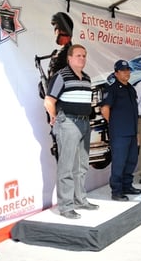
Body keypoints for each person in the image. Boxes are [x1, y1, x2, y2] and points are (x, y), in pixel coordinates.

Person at [44, 44, 99, 219]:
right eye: (78, 55)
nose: (82, 58)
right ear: (69, 58)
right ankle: (66, 206)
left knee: (82, 165)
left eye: (84, 55)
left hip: (84, 123)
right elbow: (48, 101)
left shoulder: (87, 78)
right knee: (66, 167)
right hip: (67, 122)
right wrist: (55, 118)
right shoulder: (61, 76)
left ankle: (80, 199)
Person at [101, 60, 141, 201]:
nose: (127, 73)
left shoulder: (131, 88)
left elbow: (133, 112)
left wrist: (136, 133)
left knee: (131, 161)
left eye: (128, 70)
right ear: (116, 73)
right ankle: (117, 191)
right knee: (119, 162)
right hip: (119, 133)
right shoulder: (111, 89)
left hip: (131, 132)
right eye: (123, 70)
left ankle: (127, 186)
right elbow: (105, 109)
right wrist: (114, 124)